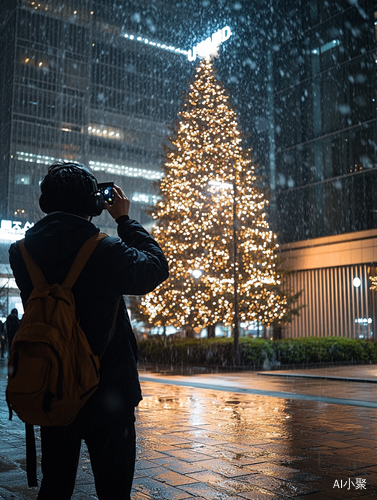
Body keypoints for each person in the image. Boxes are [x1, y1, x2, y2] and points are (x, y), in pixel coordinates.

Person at [8, 161, 169, 500]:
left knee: (56, 485)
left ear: (45, 202)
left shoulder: (20, 252)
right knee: (113, 490)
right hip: (108, 389)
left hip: (54, 383)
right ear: (94, 204)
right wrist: (124, 219)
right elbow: (155, 268)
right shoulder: (105, 249)